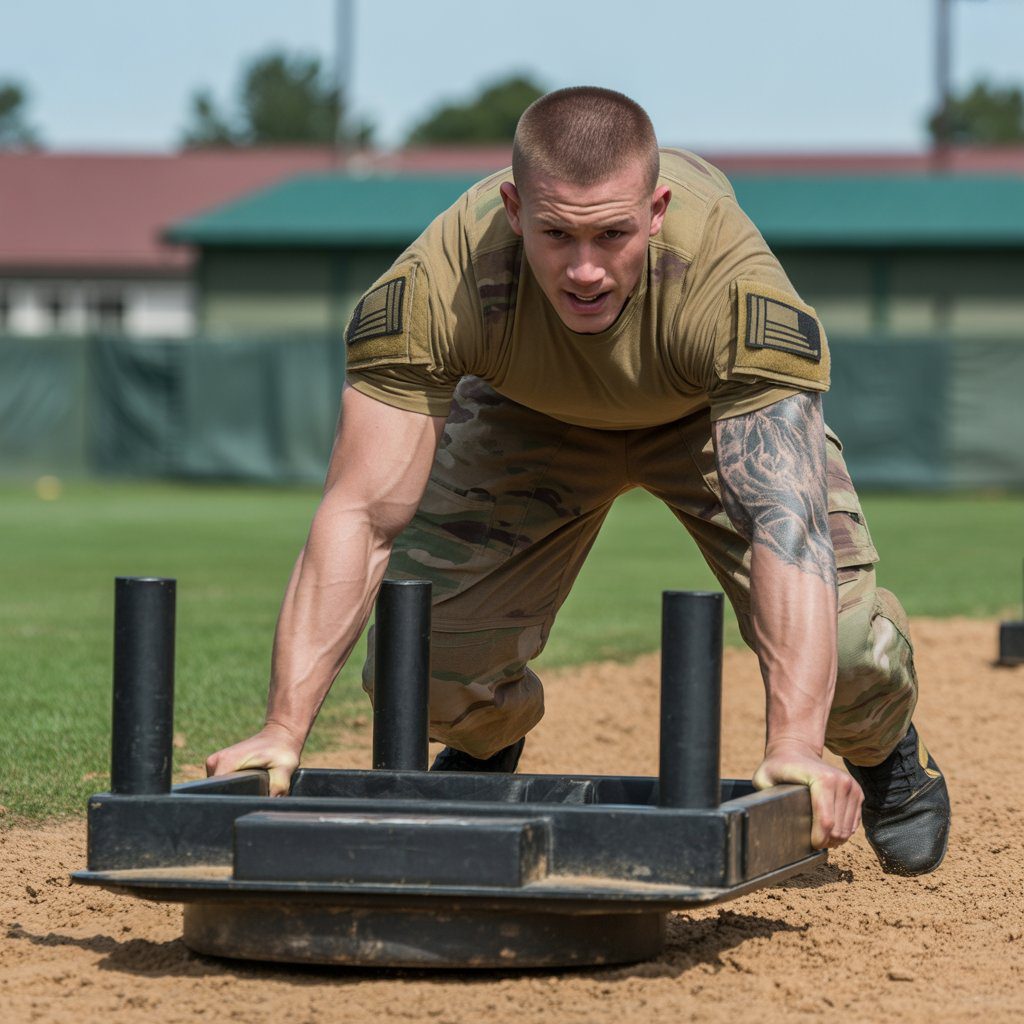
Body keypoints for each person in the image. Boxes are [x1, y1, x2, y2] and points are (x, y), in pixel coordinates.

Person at [206, 87, 950, 874]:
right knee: (421, 664)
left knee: (841, 647)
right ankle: (486, 739)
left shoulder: (733, 287)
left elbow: (785, 526)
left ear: (657, 210)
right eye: (557, 233)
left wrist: (795, 744)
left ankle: (884, 743)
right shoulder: (438, 282)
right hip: (529, 417)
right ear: (515, 209)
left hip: (706, 418)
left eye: (613, 234)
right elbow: (359, 514)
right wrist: (283, 729)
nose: (586, 269)